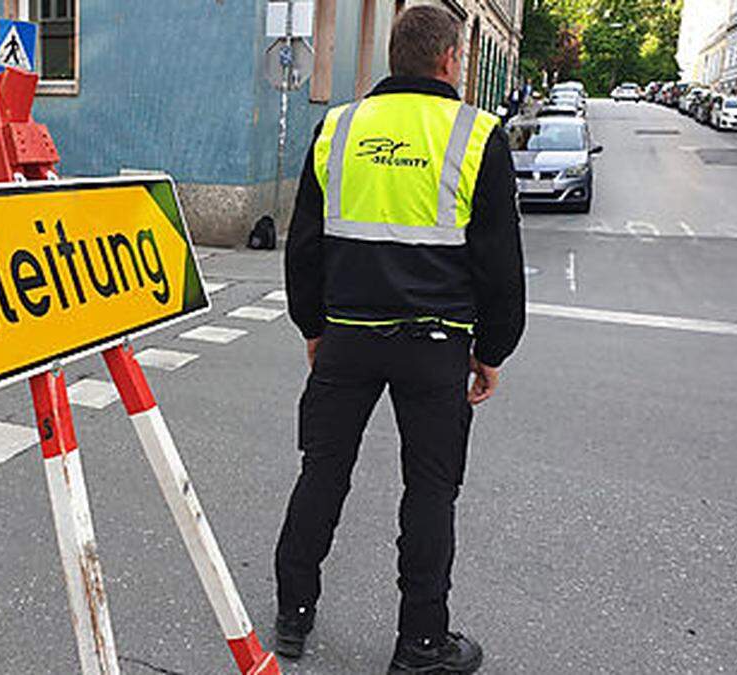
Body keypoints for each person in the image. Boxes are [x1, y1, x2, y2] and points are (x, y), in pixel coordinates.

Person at [273, 5, 525, 674]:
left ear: (393, 56)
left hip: (349, 338)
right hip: (436, 344)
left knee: (321, 472)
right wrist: (492, 350)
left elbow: (305, 245)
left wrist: (313, 326)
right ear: (449, 60)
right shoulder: (476, 135)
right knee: (430, 489)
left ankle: (292, 614)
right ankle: (420, 643)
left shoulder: (339, 127)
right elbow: (499, 261)